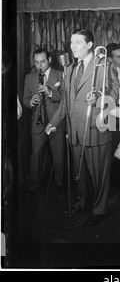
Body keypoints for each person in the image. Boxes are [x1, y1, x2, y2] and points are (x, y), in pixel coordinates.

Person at [46, 29, 119, 226]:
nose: (73, 46)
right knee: (80, 175)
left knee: (98, 176)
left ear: (89, 45)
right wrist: (53, 123)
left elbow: (117, 93)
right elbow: (66, 104)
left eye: (78, 42)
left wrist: (99, 99)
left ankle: (99, 209)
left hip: (96, 129)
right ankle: (83, 203)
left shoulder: (104, 65)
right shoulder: (69, 69)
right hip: (75, 131)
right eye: (71, 43)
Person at [23, 48, 66, 197]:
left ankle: (60, 183)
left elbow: (65, 99)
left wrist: (50, 92)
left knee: (58, 155)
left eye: (42, 61)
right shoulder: (29, 77)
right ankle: (34, 185)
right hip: (38, 122)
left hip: (56, 121)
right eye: (36, 62)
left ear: (49, 60)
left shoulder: (60, 75)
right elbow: (25, 99)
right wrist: (31, 102)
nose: (39, 65)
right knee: (36, 155)